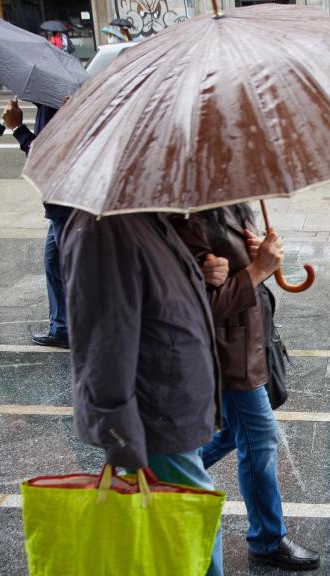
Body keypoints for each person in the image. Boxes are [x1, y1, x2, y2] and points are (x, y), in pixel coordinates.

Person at [61, 209, 227, 576]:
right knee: (190, 521)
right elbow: (104, 341)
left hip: (173, 401)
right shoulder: (106, 229)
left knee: (187, 521)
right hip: (155, 411)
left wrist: (200, 273)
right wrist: (119, 432)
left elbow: (155, 295)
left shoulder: (146, 218)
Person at [173, 206, 321, 572]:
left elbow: (237, 275)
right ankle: (267, 539)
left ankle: (165, 475)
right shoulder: (190, 218)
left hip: (249, 342)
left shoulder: (232, 204)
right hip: (227, 352)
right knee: (259, 437)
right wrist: (257, 269)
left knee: (237, 435)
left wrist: (257, 256)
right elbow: (199, 306)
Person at [2, 99, 72, 348]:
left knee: (72, 271)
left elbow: (46, 158)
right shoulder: (49, 103)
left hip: (67, 203)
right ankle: (61, 328)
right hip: (59, 204)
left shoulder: (55, 105)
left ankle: (83, 331)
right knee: (53, 263)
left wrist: (17, 128)